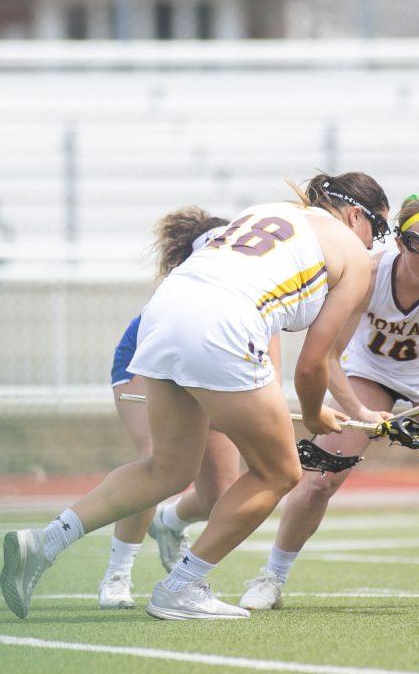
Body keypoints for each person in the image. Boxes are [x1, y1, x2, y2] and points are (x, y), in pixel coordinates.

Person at [0, 172, 390, 620]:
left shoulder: (265, 211)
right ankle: (181, 587)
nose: (373, 246)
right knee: (279, 471)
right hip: (222, 323)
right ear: (356, 215)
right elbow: (312, 364)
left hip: (163, 311)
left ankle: (45, 543)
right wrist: (316, 414)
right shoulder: (353, 259)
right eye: (376, 232)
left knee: (165, 468)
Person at [239, 195, 419, 610]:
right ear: (400, 243)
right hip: (368, 375)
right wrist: (357, 411)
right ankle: (272, 576)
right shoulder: (368, 275)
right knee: (320, 478)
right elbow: (328, 358)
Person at [99, 206, 253, 610]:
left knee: (220, 494)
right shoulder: (190, 289)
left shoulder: (256, 288)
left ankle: (171, 522)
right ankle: (118, 572)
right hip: (150, 357)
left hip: (214, 364)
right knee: (158, 463)